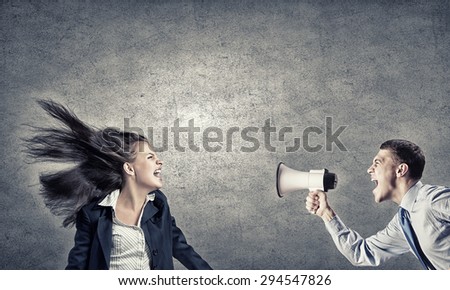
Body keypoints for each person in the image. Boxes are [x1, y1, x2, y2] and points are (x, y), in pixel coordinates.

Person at [23, 99, 212, 270]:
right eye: (150, 157)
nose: (159, 161)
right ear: (130, 169)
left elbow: (182, 249)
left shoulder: (158, 204)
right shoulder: (93, 214)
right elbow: (77, 267)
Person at [305, 139, 449, 269]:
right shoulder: (403, 223)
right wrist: (326, 213)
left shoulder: (433, 200)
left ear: (400, 170)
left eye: (377, 163)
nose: (369, 169)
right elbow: (361, 253)